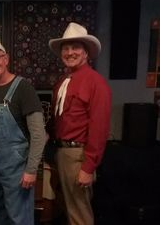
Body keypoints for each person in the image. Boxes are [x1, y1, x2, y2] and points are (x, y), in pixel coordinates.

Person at [0, 40, 48, 225]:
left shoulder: (24, 88)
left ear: (6, 59)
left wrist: (31, 170)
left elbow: (39, 135)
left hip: (16, 171)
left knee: (19, 219)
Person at [48, 22, 112, 225]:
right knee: (66, 209)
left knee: (79, 213)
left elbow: (99, 128)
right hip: (61, 153)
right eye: (65, 48)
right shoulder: (62, 82)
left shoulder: (96, 82)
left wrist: (88, 166)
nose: (70, 52)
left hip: (78, 156)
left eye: (75, 47)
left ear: (86, 53)